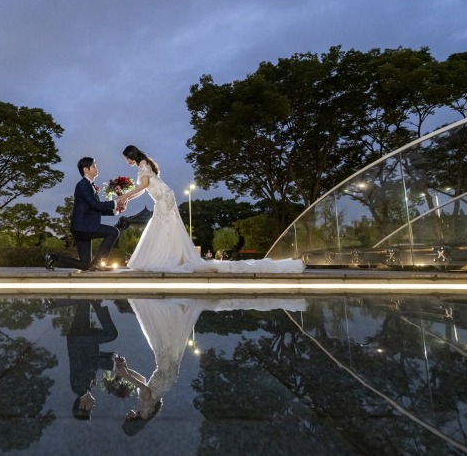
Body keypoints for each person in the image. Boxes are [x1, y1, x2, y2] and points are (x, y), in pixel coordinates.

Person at [113, 298, 306, 433]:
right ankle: (172, 307)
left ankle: (175, 308)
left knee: (165, 343)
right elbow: (146, 391)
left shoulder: (144, 413)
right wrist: (125, 375)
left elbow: (144, 381)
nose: (126, 415)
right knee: (164, 340)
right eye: (126, 419)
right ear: (131, 422)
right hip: (165, 373)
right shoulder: (144, 412)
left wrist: (127, 369)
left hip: (167, 375)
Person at [116, 144, 304, 273]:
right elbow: (144, 189)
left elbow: (143, 186)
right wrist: (127, 198)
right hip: (164, 195)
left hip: (163, 198)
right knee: (165, 227)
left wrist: (125, 196)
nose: (127, 162)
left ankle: (165, 259)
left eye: (126, 159)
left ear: (131, 155)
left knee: (162, 226)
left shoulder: (142, 164)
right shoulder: (145, 163)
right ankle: (168, 258)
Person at [46, 157, 125, 271]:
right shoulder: (83, 185)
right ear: (86, 170)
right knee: (113, 232)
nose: (96, 168)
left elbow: (95, 208)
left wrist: (116, 210)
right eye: (94, 166)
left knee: (84, 264)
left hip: (82, 228)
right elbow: (95, 205)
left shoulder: (89, 185)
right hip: (84, 227)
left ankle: (53, 258)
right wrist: (115, 202)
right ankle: (98, 262)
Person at [66, 300, 118, 420]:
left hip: (81, 341)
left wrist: (112, 366)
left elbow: (90, 362)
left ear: (81, 405)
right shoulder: (85, 387)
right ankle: (94, 297)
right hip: (78, 339)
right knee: (84, 303)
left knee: (111, 334)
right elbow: (91, 357)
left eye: (90, 408)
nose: (93, 406)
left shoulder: (79, 387)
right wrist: (112, 357)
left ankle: (99, 303)